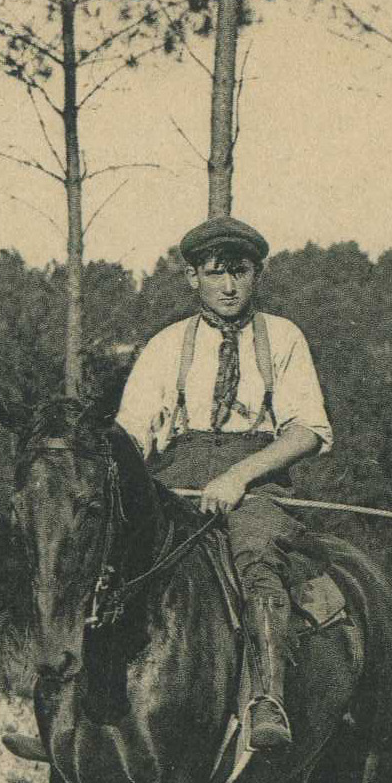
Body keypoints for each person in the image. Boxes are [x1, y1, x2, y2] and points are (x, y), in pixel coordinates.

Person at [111, 216, 333, 750]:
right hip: (178, 480)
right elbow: (131, 433)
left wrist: (239, 476)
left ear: (257, 275)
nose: (229, 286)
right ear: (193, 279)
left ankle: (267, 699)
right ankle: (76, 711)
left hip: (257, 481)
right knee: (104, 558)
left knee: (256, 555)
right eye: (215, 273)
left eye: (241, 272)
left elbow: (309, 429)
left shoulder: (283, 337)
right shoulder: (167, 345)